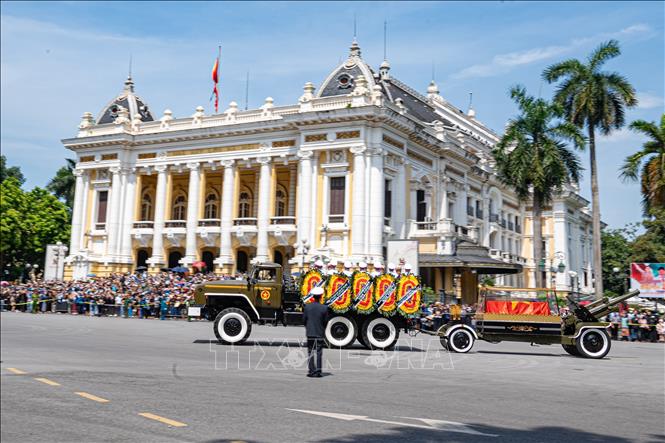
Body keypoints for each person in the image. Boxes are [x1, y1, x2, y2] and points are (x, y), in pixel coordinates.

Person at [302, 286, 328, 378]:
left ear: (313, 297)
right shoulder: (324, 308)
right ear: (321, 296)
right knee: (319, 352)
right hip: (319, 333)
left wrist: (308, 327)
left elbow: (304, 320)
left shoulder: (307, 307)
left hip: (310, 333)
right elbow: (325, 321)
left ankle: (311, 371)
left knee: (311, 352)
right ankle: (318, 371)